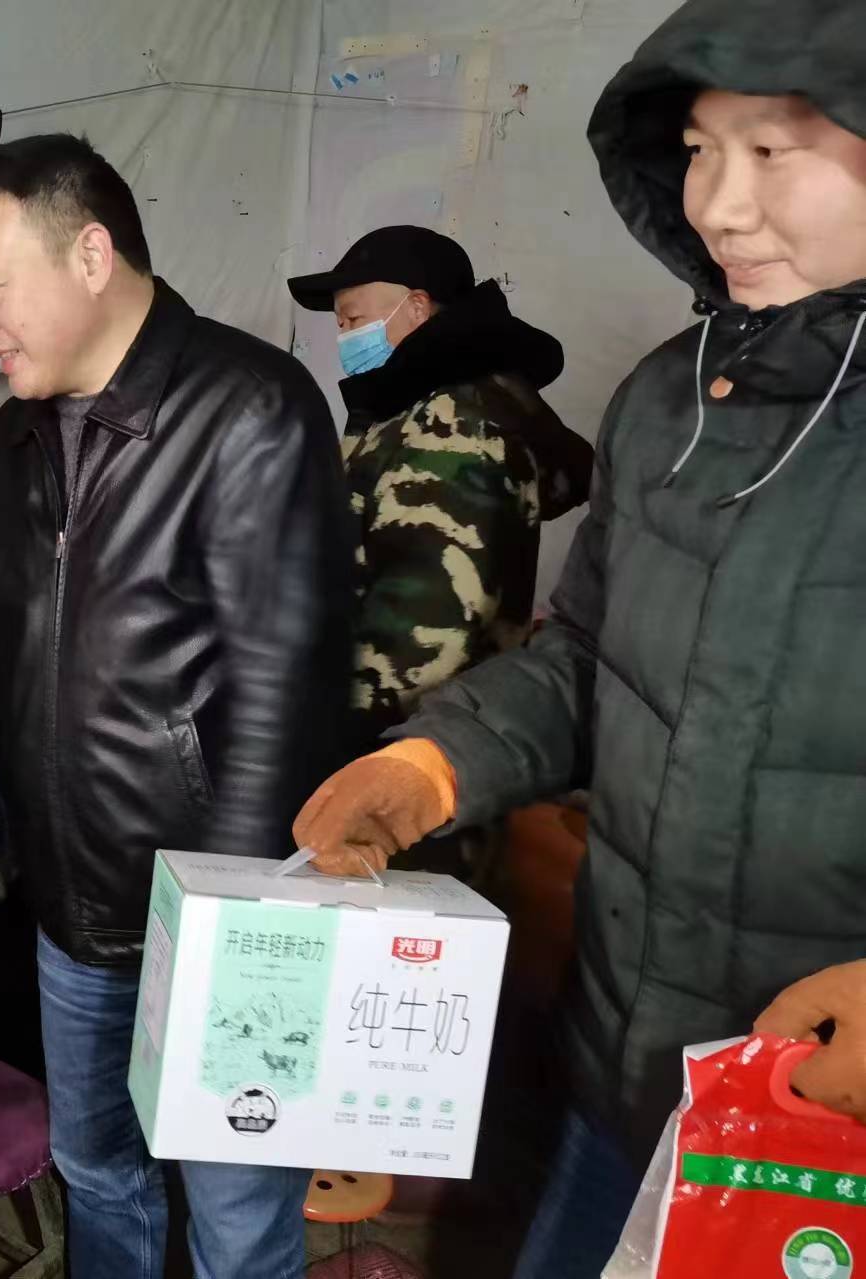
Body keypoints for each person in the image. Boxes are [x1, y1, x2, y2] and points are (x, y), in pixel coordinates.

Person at [290, 1, 866, 1276]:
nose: (717, 206)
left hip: (825, 1122)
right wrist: (435, 759)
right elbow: (587, 653)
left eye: (769, 151)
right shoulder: (674, 401)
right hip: (627, 1070)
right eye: (699, 150)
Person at [0, 134, 352, 1279]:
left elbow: (282, 698)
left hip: (224, 921)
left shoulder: (249, 410)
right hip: (73, 915)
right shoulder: (6, 444)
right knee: (96, 1170)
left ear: (88, 253)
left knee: (234, 1220)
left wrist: (216, 938)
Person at [287, 227, 593, 749]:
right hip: (419, 734)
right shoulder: (409, 409)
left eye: (354, 319)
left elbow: (426, 638)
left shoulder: (454, 427)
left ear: (416, 308)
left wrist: (310, 729)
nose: (344, 336)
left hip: (403, 747)